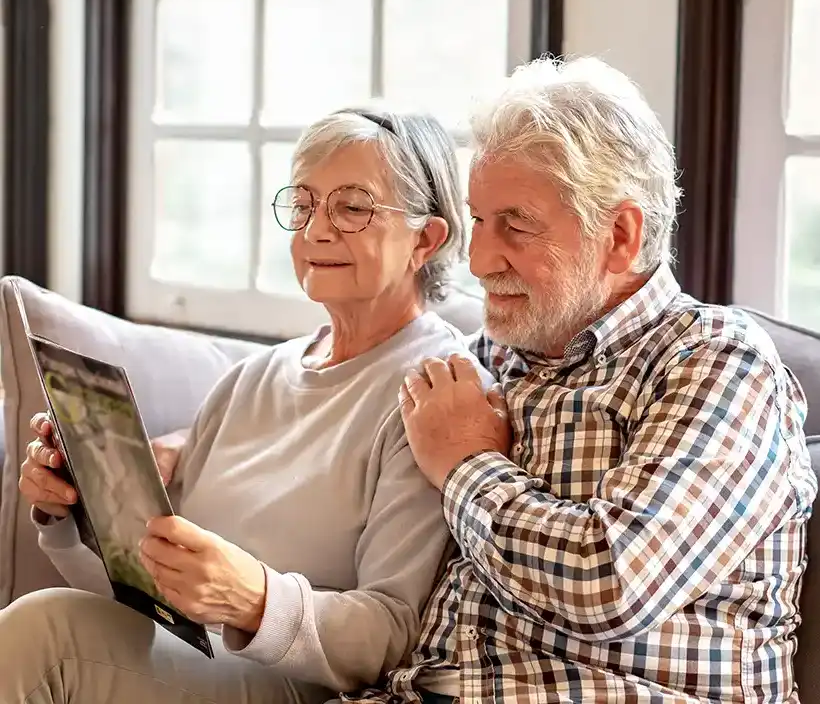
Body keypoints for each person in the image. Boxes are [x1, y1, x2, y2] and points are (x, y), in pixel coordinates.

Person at [343, 57, 816, 703]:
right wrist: (197, 452)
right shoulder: (488, 356)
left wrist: (466, 464)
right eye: (479, 220)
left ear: (619, 236)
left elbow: (613, 583)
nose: (480, 260)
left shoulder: (716, 364)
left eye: (516, 224)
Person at [0, 106, 499, 704]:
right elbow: (142, 600)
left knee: (44, 629)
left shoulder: (433, 393)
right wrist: (71, 510)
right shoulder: (252, 379)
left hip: (292, 686)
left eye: (352, 207)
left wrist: (256, 599)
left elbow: (391, 635)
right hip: (181, 664)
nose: (316, 231)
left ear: (427, 238)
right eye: (305, 204)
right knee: (47, 624)